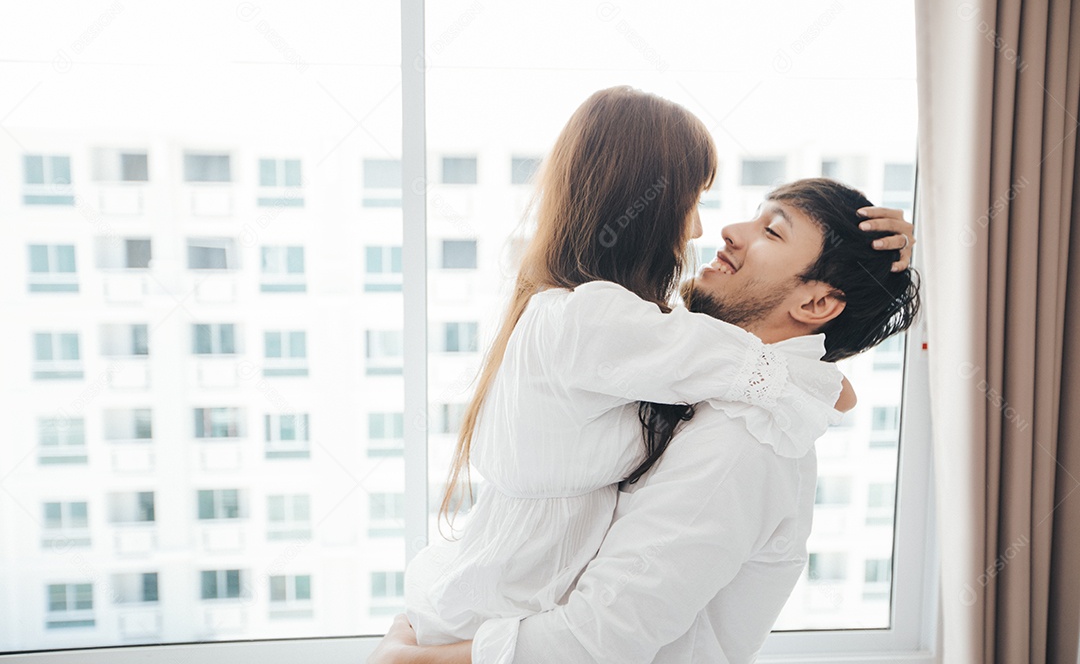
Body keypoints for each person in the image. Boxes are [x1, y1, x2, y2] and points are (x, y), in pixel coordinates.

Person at [369, 178, 920, 663]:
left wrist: (415, 660)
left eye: (772, 232)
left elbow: (598, 641)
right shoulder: (692, 375)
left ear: (819, 305)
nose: (727, 230)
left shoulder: (743, 441)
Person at [403, 86, 859, 649]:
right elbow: (776, 372)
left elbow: (602, 639)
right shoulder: (597, 321)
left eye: (772, 230)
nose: (702, 231)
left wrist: (883, 272)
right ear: (639, 208)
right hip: (509, 604)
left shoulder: (736, 428)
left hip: (508, 606)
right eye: (690, 203)